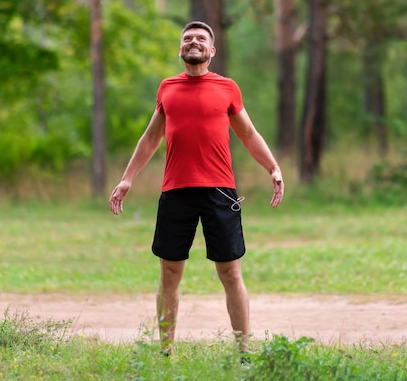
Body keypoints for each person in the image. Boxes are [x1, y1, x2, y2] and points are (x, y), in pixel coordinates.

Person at [108, 21, 284, 357]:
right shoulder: (167, 88)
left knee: (230, 272)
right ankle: (166, 353)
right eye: (187, 38)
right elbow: (151, 137)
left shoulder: (228, 88)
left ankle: (244, 353)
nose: (193, 42)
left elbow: (248, 134)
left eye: (201, 39)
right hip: (176, 191)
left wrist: (273, 167)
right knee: (170, 272)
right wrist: (127, 177)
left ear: (211, 50)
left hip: (219, 192)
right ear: (180, 49)